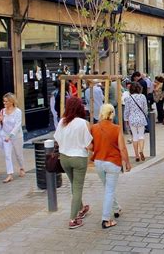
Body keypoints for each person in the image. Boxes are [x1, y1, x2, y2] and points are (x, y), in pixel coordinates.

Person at [54, 97, 93, 229]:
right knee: (77, 188)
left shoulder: (62, 122)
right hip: (79, 158)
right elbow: (89, 145)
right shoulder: (83, 123)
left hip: (64, 158)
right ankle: (73, 219)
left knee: (73, 185)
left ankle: (81, 208)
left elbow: (57, 139)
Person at [91, 104, 131, 229]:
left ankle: (116, 208)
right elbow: (122, 148)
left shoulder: (94, 128)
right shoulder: (116, 128)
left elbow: (90, 146)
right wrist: (127, 162)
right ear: (112, 114)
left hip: (98, 161)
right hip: (113, 162)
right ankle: (105, 219)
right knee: (109, 190)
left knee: (108, 188)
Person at [0, 93, 25, 183]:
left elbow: (17, 125)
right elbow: (1, 125)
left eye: (6, 101)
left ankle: (22, 167)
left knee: (18, 154)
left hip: (16, 136)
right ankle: (10, 174)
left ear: (11, 101)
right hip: (5, 136)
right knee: (7, 155)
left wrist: (11, 135)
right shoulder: (3, 111)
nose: (4, 103)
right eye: (3, 101)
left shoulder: (18, 111)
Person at [124, 82, 148, 162]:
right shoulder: (142, 96)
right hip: (141, 118)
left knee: (134, 136)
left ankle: (136, 155)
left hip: (132, 119)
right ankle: (141, 150)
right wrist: (145, 115)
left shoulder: (128, 98)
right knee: (141, 136)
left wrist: (126, 119)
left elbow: (126, 110)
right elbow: (145, 108)